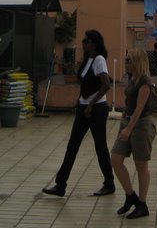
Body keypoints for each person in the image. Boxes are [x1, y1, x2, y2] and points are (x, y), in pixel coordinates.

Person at [42, 29, 115, 198]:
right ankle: (60, 185)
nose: (83, 43)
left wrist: (90, 104)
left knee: (100, 146)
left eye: (86, 41)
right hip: (84, 107)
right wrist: (80, 100)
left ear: (94, 44)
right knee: (72, 146)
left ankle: (109, 183)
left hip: (96, 109)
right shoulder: (87, 60)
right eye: (83, 41)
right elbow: (86, 84)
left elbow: (105, 85)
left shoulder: (99, 60)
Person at [111, 47, 157, 220]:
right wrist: (124, 121)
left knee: (141, 166)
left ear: (137, 62)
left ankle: (142, 204)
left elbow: (139, 108)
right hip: (127, 121)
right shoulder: (132, 78)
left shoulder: (144, 81)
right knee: (116, 159)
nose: (125, 62)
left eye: (129, 60)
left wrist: (129, 128)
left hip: (141, 126)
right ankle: (131, 196)